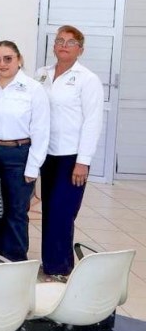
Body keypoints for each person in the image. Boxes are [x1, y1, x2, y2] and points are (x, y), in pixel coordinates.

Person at [35, 26, 104, 280]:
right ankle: (51, 264)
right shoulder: (42, 74)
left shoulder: (87, 79)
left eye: (71, 42)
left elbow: (93, 122)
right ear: (54, 46)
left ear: (80, 50)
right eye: (60, 41)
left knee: (62, 212)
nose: (64, 45)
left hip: (72, 157)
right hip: (46, 154)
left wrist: (83, 161)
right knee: (49, 210)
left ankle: (61, 268)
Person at [0, 41, 49, 269]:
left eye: (8, 58)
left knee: (16, 210)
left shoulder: (33, 88)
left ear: (19, 59)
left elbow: (41, 129)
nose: (2, 64)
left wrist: (33, 166)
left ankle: (15, 260)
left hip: (19, 154)